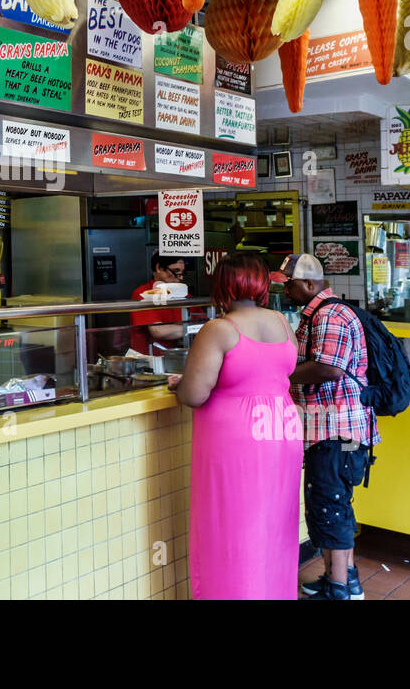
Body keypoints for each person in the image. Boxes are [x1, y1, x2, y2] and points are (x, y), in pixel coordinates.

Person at [169, 252, 302, 599]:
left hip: (238, 440)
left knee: (232, 527)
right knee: (273, 525)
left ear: (223, 285)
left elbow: (195, 394)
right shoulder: (282, 323)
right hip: (280, 430)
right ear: (260, 285)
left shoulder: (220, 329)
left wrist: (179, 384)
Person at [276, 252, 379, 601]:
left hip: (337, 430)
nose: (286, 291)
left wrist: (279, 375)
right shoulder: (317, 314)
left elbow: (328, 368)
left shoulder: (331, 315)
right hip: (330, 428)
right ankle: (344, 580)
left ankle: (338, 589)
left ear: (308, 283)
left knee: (330, 507)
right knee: (334, 505)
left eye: (289, 284)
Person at [130, 253, 188, 355]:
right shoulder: (143, 293)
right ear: (159, 268)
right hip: (149, 360)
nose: (181, 278)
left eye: (182, 272)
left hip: (176, 356)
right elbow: (158, 331)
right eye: (176, 271)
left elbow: (199, 319)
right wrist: (197, 328)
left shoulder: (184, 295)